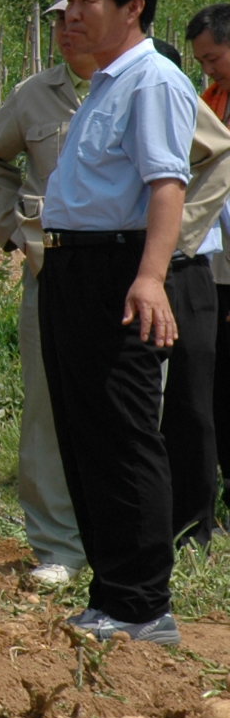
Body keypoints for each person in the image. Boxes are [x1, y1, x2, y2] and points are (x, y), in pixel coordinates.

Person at [34, 0, 193, 644]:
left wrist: (150, 277)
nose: (73, 11)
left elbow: (167, 187)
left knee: (124, 435)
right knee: (84, 429)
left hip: (117, 271)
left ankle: (142, 602)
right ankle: (112, 592)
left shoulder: (152, 81)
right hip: (72, 269)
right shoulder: (106, 81)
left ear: (133, 8)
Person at [0, 0, 88, 583]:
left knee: (136, 409)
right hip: (55, 269)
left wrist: (182, 237)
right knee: (46, 409)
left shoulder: (146, 86)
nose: (68, 28)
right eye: (59, 18)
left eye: (78, 14)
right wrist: (15, 228)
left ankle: (128, 536)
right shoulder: (35, 94)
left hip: (134, 272)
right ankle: (58, 546)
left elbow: (210, 158)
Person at [141, 39, 230, 548]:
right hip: (137, 266)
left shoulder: (190, 109)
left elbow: (219, 173)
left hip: (190, 268)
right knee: (141, 397)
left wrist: (175, 238)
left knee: (192, 399)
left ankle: (196, 522)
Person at [191, 4, 230, 523]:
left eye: (214, 57)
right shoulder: (210, 100)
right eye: (201, 62)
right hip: (215, 262)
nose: (208, 69)